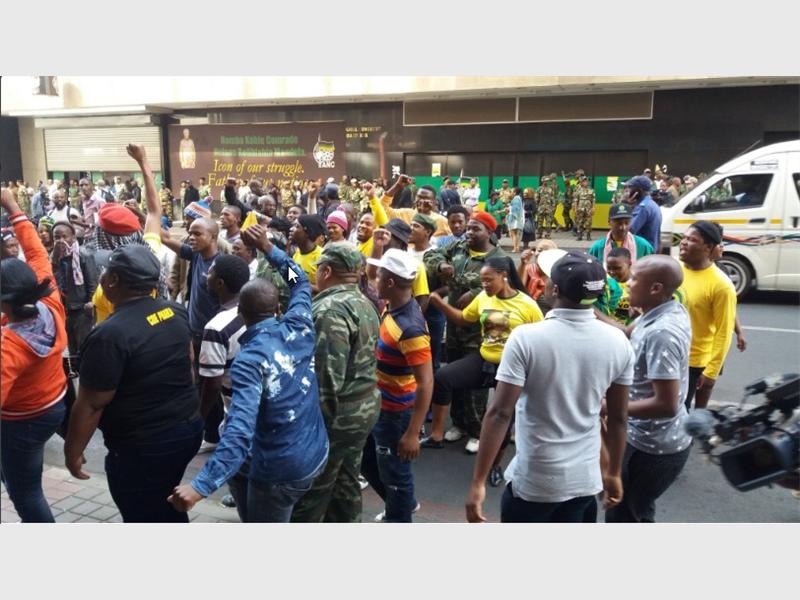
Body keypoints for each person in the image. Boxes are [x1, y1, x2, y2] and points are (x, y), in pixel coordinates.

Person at [168, 225, 328, 522]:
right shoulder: (300, 324)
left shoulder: (249, 362)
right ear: (277, 308)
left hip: (279, 470)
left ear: (241, 313)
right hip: (314, 453)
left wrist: (200, 486)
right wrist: (269, 248)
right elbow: (300, 282)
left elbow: (240, 430)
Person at [465, 251, 634, 523]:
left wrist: (478, 482)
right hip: (584, 479)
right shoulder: (618, 341)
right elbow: (617, 417)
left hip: (536, 479)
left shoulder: (526, 338)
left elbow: (499, 414)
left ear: (554, 289)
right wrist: (613, 472)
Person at [64, 244, 202, 522]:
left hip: (144, 447)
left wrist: (72, 452)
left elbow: (91, 404)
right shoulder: (174, 311)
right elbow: (189, 366)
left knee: (143, 512)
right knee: (166, 502)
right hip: (186, 430)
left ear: (113, 281)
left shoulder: (109, 335)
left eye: (105, 273)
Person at [422, 257, 543, 485]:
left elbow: (542, 338)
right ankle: (437, 434)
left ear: (503, 276)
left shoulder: (527, 305)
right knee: (443, 378)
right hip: (484, 359)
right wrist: (440, 304)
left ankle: (495, 465)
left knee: (503, 417)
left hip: (512, 369)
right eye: (482, 281)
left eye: (489, 280)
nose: (484, 285)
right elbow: (464, 318)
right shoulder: (483, 298)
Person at [291, 244, 381, 522]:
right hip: (362, 410)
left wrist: (313, 434)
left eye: (318, 268)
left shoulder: (330, 311)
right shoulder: (364, 302)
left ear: (327, 270)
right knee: (346, 483)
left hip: (337, 417)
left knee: (312, 490)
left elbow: (327, 380)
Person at [605, 255, 693, 522]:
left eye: (633, 279)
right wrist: (587, 313)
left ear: (655, 288)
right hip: (640, 436)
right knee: (625, 509)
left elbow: (666, 405)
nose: (627, 283)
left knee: (629, 514)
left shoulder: (662, 333)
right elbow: (627, 332)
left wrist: (608, 408)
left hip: (653, 449)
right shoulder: (664, 309)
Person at [1, 188, 68, 522]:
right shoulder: (49, 299)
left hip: (22, 420)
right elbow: (36, 250)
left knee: (25, 492)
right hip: (54, 405)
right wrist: (13, 207)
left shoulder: (9, 347)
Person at [422, 211, 507, 454]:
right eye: (468, 228)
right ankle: (459, 422)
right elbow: (431, 254)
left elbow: (504, 289)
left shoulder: (498, 258)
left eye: (476, 229)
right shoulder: (458, 248)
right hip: (457, 322)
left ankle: (477, 430)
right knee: (455, 376)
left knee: (477, 381)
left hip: (483, 326)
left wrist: (480, 292)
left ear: (489, 233)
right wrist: (441, 265)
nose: (469, 232)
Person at [360, 249, 433, 522]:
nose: (373, 279)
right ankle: (401, 502)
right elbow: (369, 272)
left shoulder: (410, 328)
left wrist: (413, 432)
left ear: (390, 282)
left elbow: (426, 382)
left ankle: (398, 515)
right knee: (370, 462)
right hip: (380, 404)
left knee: (395, 473)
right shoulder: (393, 305)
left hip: (395, 413)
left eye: (379, 276)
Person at [159, 217, 223, 450]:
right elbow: (164, 237)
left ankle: (207, 431)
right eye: (190, 233)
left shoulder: (226, 265)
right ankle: (210, 433)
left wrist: (268, 248)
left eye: (198, 234)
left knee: (212, 385)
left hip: (215, 336)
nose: (191, 237)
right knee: (201, 382)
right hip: (196, 332)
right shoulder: (196, 256)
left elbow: (295, 280)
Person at [677, 221, 737, 410]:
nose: (683, 243)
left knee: (680, 413)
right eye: (684, 238)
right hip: (670, 353)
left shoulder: (721, 285)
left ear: (709, 247)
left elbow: (724, 332)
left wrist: (711, 373)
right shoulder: (674, 270)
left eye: (691, 240)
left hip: (694, 362)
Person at [51, 222, 97, 355]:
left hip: (81, 308)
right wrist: (54, 259)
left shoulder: (83, 255)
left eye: (64, 237)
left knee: (83, 344)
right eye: (57, 237)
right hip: (64, 308)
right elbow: (52, 279)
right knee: (70, 344)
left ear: (73, 238)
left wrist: (91, 301)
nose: (61, 241)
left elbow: (92, 281)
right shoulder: (55, 257)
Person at [588, 202, 654, 265]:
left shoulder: (643, 246)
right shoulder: (597, 247)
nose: (623, 228)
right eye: (618, 223)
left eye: (627, 223)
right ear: (609, 222)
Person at [625, 175, 662, 251]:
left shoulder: (643, 208)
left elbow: (628, 231)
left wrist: (626, 206)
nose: (629, 190)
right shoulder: (652, 204)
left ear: (639, 190)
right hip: (650, 249)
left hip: (642, 252)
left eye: (631, 187)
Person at [290, 214, 326, 290]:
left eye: (297, 226)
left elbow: (326, 289)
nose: (291, 229)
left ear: (307, 232)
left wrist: (302, 285)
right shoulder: (297, 253)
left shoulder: (322, 256)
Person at [574, 176, 596, 241]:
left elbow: (593, 200)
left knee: (588, 222)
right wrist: (575, 208)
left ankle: (588, 236)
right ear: (581, 182)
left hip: (588, 209)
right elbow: (576, 200)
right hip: (580, 208)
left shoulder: (591, 190)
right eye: (584, 181)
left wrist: (593, 208)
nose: (585, 182)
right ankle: (579, 236)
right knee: (579, 222)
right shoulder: (578, 190)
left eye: (586, 181)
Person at [535, 174, 556, 239]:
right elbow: (536, 198)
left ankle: (548, 234)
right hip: (541, 208)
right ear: (542, 181)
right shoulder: (539, 189)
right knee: (539, 222)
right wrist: (537, 207)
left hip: (548, 208)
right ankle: (539, 234)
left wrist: (553, 207)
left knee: (548, 223)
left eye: (547, 181)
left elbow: (553, 198)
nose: (546, 182)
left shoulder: (550, 189)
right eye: (545, 181)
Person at [507, 188, 524, 252]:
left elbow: (515, 209)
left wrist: (513, 216)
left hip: (514, 219)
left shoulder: (516, 199)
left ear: (514, 192)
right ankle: (517, 247)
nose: (510, 192)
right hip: (517, 218)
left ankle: (515, 248)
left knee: (513, 233)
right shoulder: (518, 198)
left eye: (511, 191)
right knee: (517, 234)